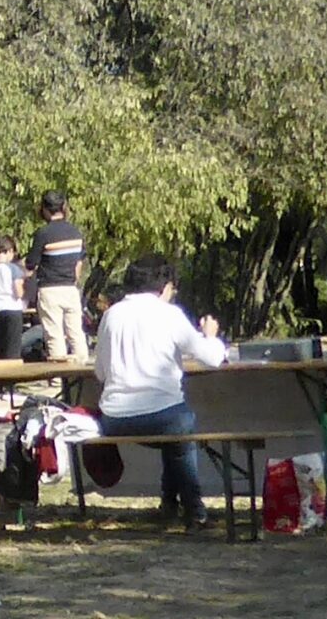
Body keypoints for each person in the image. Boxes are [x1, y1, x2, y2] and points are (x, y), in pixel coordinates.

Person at [94, 254, 230, 529]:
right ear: (165, 286)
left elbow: (100, 372)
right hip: (164, 417)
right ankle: (195, 509)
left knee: (176, 432)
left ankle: (170, 504)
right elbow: (212, 358)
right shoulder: (170, 315)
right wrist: (210, 335)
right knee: (180, 427)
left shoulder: (111, 315)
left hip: (114, 419)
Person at [27, 192, 90, 361]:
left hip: (50, 289)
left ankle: (57, 380)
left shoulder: (43, 233)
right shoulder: (76, 232)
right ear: (63, 207)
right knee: (76, 333)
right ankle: (81, 374)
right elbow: (79, 263)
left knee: (54, 335)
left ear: (45, 210)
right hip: (70, 289)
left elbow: (31, 264)